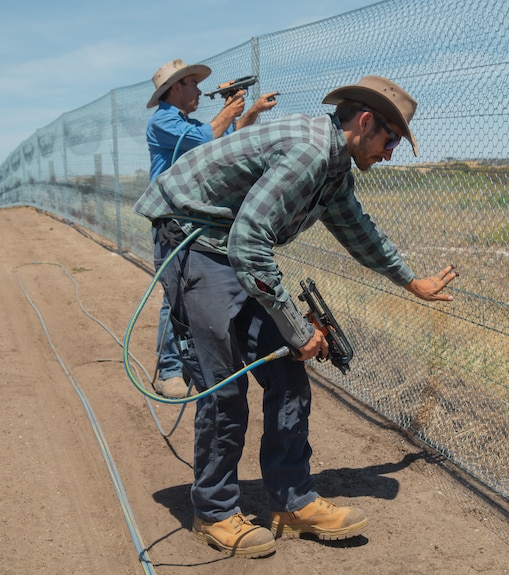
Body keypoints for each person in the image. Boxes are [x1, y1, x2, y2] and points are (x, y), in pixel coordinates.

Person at [133, 75, 458, 558]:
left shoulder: (333, 167)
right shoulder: (308, 151)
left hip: (232, 247)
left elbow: (357, 230)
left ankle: (292, 502)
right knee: (226, 386)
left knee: (287, 369)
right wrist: (297, 326)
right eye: (391, 138)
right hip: (196, 241)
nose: (390, 152)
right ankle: (216, 511)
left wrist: (411, 280)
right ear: (365, 122)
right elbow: (249, 241)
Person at [145, 59, 278, 398]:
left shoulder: (184, 123)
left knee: (191, 292)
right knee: (174, 298)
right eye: (193, 84)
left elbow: (225, 141)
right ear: (176, 88)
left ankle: (188, 362)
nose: (200, 91)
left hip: (191, 221)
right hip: (173, 222)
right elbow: (208, 136)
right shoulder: (163, 121)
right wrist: (230, 109)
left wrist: (250, 112)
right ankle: (170, 370)